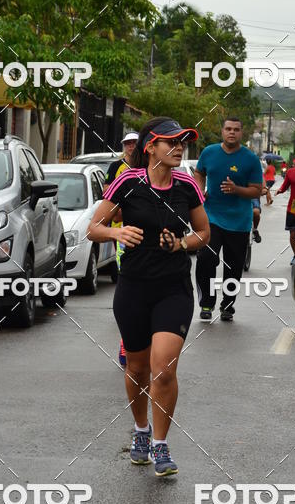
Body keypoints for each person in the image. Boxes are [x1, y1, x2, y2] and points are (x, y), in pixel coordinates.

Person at [88, 117, 210, 477]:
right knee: (137, 368)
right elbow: (93, 228)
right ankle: (140, 429)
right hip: (134, 289)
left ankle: (160, 443)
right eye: (170, 142)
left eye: (182, 142)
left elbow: (204, 233)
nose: (178, 148)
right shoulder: (127, 182)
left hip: (174, 289)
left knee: (164, 368)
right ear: (150, 147)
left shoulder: (187, 186)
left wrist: (181, 243)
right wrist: (117, 232)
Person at [194, 118, 263, 322]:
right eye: (228, 129)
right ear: (222, 131)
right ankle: (206, 301)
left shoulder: (250, 159)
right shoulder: (209, 152)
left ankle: (228, 305)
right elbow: (199, 173)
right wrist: (199, 190)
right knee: (206, 258)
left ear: (242, 133)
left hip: (239, 222)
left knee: (233, 267)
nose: (232, 132)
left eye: (236, 129)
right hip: (211, 218)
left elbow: (256, 190)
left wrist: (236, 190)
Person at [103, 133, 139, 367]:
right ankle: (127, 340)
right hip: (121, 232)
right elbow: (111, 205)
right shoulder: (117, 167)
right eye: (126, 143)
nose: (130, 146)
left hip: (150, 236)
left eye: (134, 143)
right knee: (129, 284)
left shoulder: (149, 168)